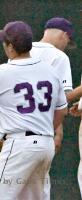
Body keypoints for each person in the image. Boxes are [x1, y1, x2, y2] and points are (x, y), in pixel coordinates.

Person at [0, 21, 67, 199]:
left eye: (4, 42)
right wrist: (42, 131)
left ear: (10, 47)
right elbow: (62, 111)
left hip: (19, 145)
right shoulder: (50, 71)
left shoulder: (1, 72)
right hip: (46, 144)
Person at [30, 17, 74, 199]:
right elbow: (61, 100)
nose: (66, 45)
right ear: (64, 35)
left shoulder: (23, 49)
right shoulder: (59, 56)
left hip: (15, 129)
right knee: (39, 188)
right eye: (68, 41)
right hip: (41, 130)